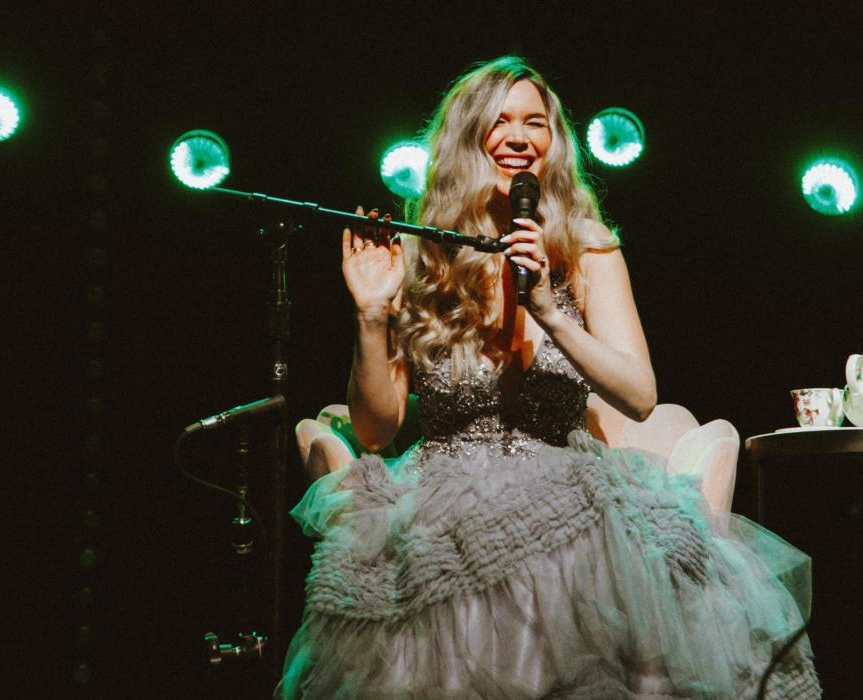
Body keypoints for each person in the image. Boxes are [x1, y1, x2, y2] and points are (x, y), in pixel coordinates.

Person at [279, 56, 820, 699]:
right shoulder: (422, 250)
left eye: (535, 122)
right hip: (441, 504)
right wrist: (372, 315)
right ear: (467, 137)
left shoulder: (585, 245)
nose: (519, 136)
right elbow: (373, 429)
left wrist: (552, 315)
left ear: (552, 140)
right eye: (499, 121)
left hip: (570, 493)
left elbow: (640, 395)